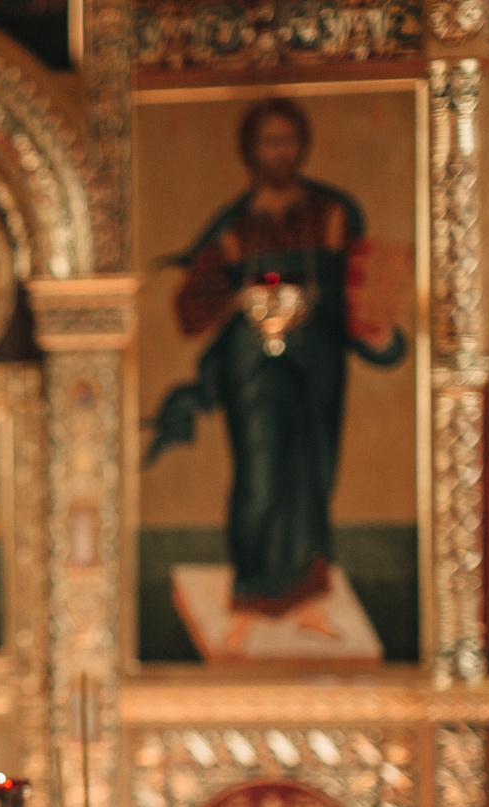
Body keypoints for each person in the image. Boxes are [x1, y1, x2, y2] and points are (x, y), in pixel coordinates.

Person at [147, 97, 408, 656]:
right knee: (261, 472)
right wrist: (238, 296)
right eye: (269, 141)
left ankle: (307, 601)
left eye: (289, 140)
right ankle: (251, 597)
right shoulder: (233, 226)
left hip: (318, 362)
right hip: (253, 363)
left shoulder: (333, 213)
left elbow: (362, 292)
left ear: (303, 145)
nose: (280, 152)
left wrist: (381, 337)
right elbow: (191, 307)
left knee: (311, 474)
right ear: (249, 150)